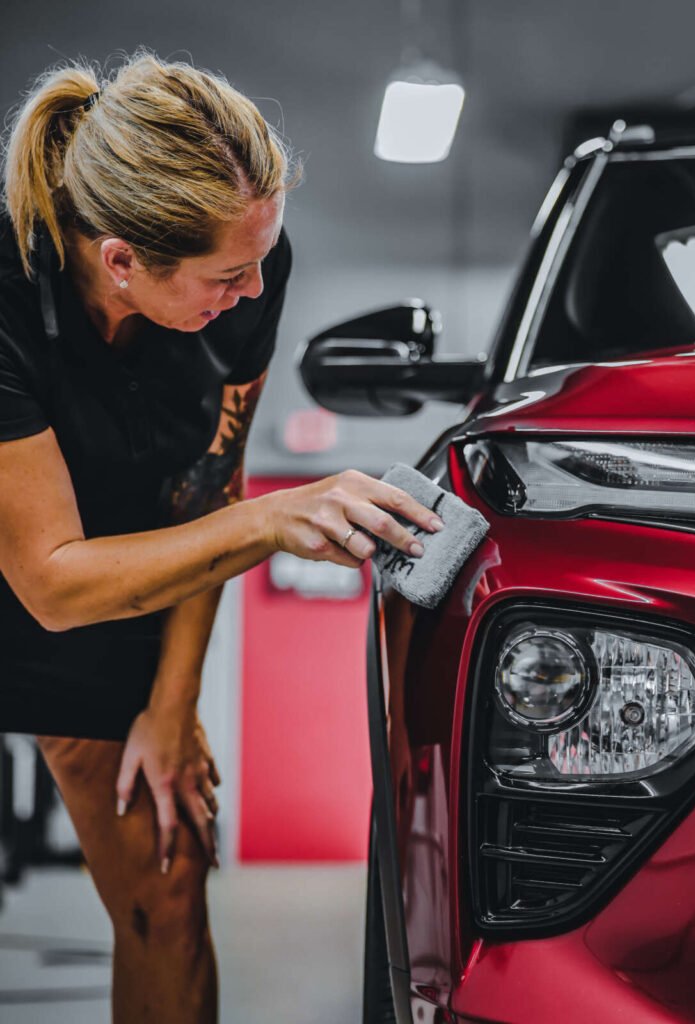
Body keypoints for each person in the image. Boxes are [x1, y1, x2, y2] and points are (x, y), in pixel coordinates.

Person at [0, 51, 442, 1023]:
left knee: (167, 875)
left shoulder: (252, 264)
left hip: (121, 569)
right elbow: (50, 581)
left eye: (261, 263)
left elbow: (211, 478)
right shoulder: (7, 298)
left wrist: (172, 702)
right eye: (228, 275)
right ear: (121, 261)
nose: (253, 293)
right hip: (45, 563)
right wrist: (267, 521)